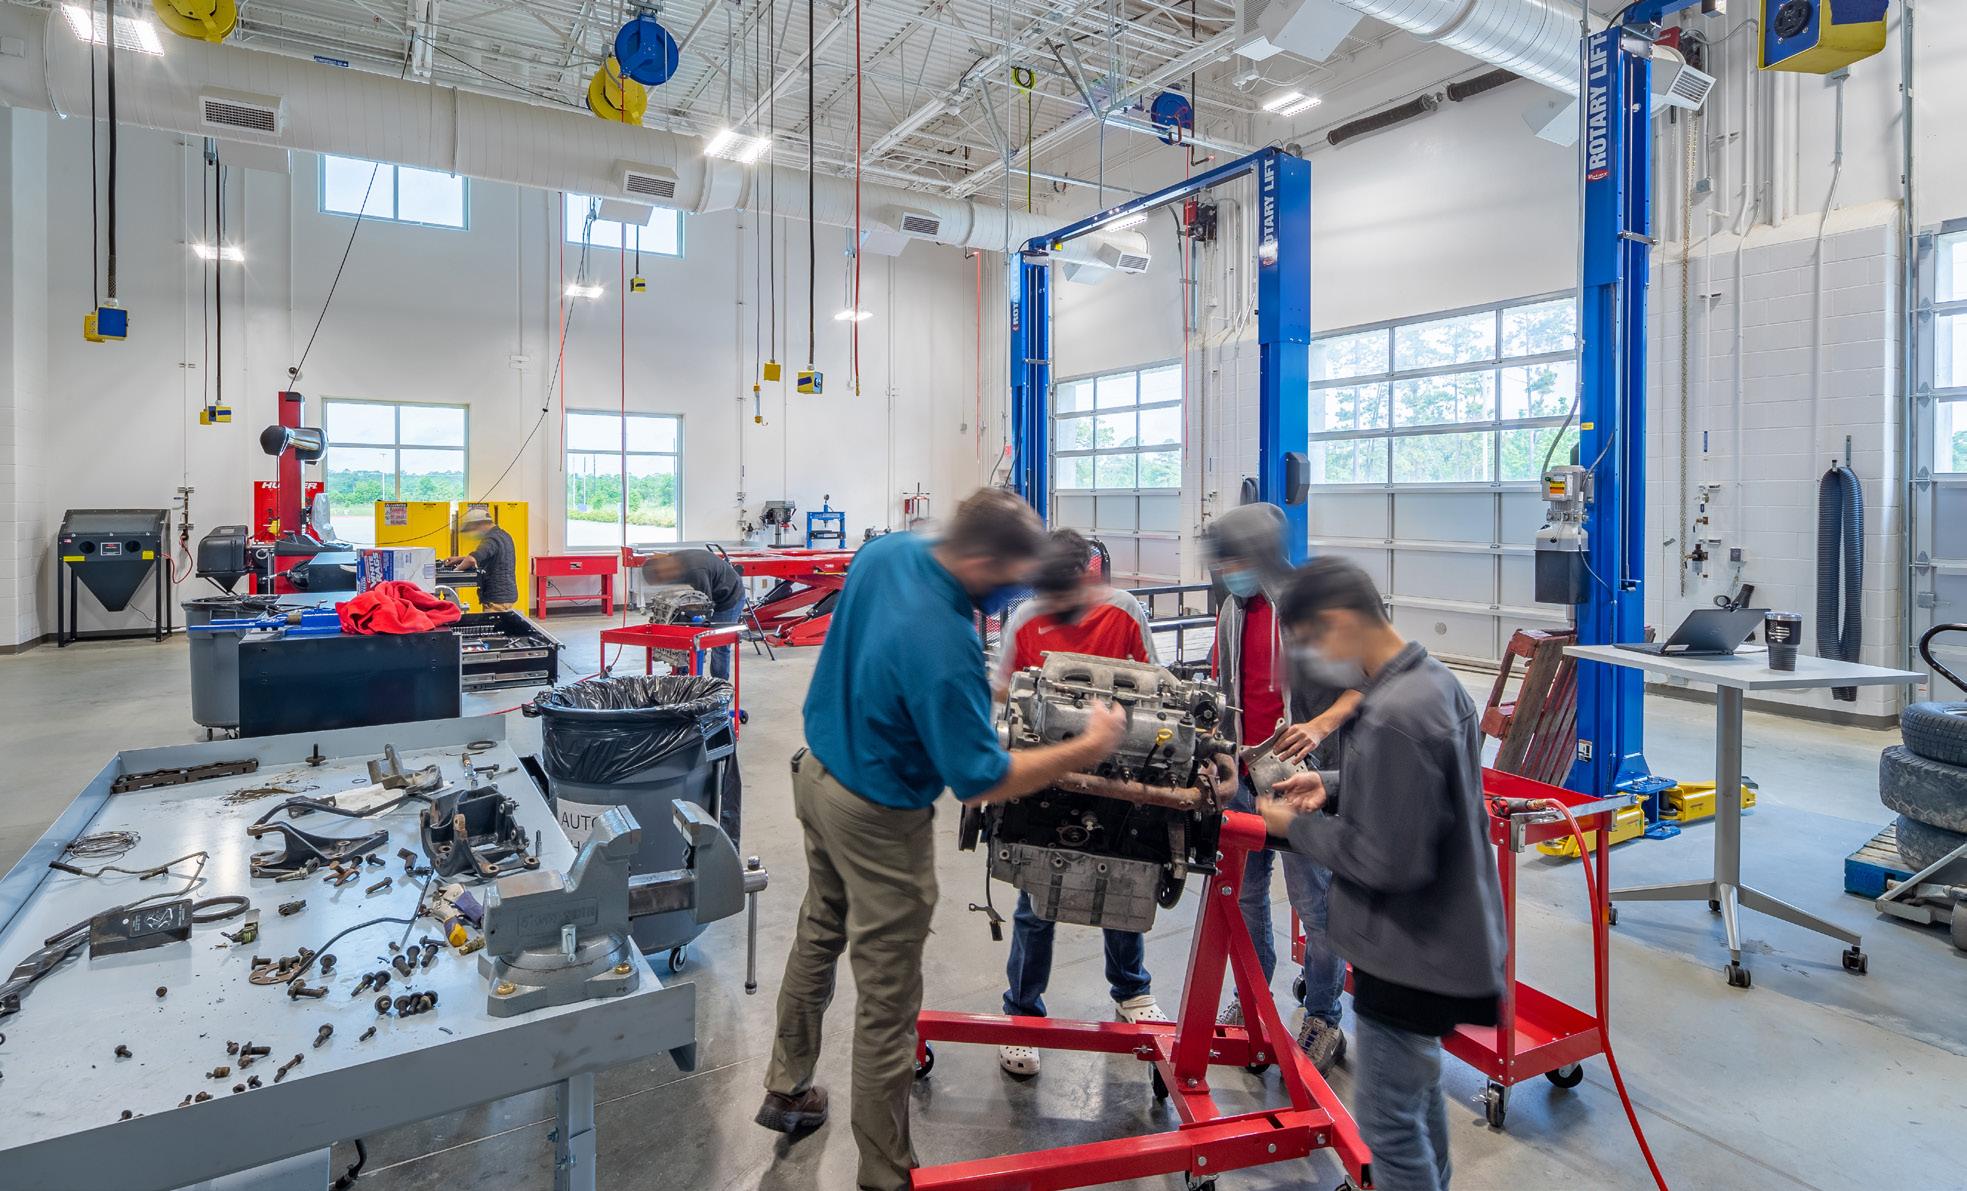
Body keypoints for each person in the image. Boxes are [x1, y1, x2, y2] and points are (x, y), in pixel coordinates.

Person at [755, 489, 1128, 1191]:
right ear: (983, 559)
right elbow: (981, 778)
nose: (1016, 592)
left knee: (819, 930)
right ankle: (885, 1173)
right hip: (876, 815)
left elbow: (887, 661)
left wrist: (983, 697)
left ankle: (787, 1084)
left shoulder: (887, 552)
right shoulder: (946, 638)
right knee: (887, 999)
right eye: (1013, 577)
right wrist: (1089, 745)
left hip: (818, 772)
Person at [1256, 557, 1507, 1191]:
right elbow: (1420, 791)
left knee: (1389, 1128)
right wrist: (1333, 784)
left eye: (1311, 645)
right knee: (1417, 1106)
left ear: (1340, 623)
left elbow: (1386, 860)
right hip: (1444, 940)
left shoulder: (1395, 712)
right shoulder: (1435, 682)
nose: (1314, 666)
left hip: (1406, 952)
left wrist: (1293, 828)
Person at [990, 530, 1166, 1077]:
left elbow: (1159, 685)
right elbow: (1002, 689)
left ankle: (1131, 991)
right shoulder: (1027, 617)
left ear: (1087, 575)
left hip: (1120, 771)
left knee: (1126, 877)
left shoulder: (1124, 611)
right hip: (1047, 773)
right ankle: (1023, 1012)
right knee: (1036, 896)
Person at [1203, 503, 1360, 1074]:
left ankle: (1323, 1016)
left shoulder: (1313, 606)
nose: (1229, 570)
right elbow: (1225, 687)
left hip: (1302, 782)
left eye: (1237, 559)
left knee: (1316, 908)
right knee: (1244, 900)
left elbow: (1367, 682)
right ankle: (1252, 999)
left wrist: (1319, 725)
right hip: (1246, 779)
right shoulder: (1231, 610)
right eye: (1224, 561)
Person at [641, 547, 746, 679]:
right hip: (712, 590)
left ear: (663, 570)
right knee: (685, 638)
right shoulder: (673, 562)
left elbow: (703, 607)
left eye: (661, 579)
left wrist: (696, 629)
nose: (665, 581)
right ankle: (683, 677)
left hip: (729, 597)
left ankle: (719, 684)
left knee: (720, 644)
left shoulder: (695, 571)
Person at [441, 507, 519, 612]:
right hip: (505, 594)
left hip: (497, 599)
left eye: (473, 528)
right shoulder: (503, 535)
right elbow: (489, 557)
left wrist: (455, 571)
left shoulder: (491, 539)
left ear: (481, 524)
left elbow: (472, 560)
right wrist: (460, 559)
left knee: (493, 622)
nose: (474, 533)